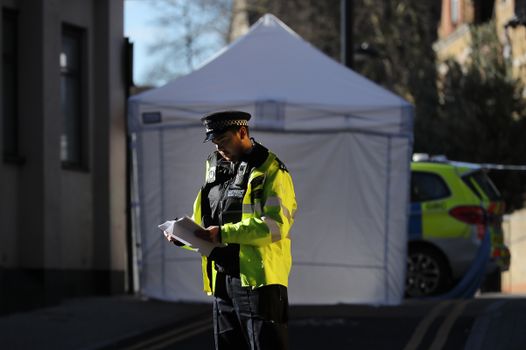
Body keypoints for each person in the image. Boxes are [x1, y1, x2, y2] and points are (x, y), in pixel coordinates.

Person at [164, 110, 297, 350]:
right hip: (222, 279)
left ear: (243, 132)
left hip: (259, 283)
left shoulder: (270, 169)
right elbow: (203, 220)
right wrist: (182, 236)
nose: (219, 149)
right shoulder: (215, 167)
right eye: (215, 143)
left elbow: (275, 226)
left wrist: (223, 233)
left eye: (223, 141)